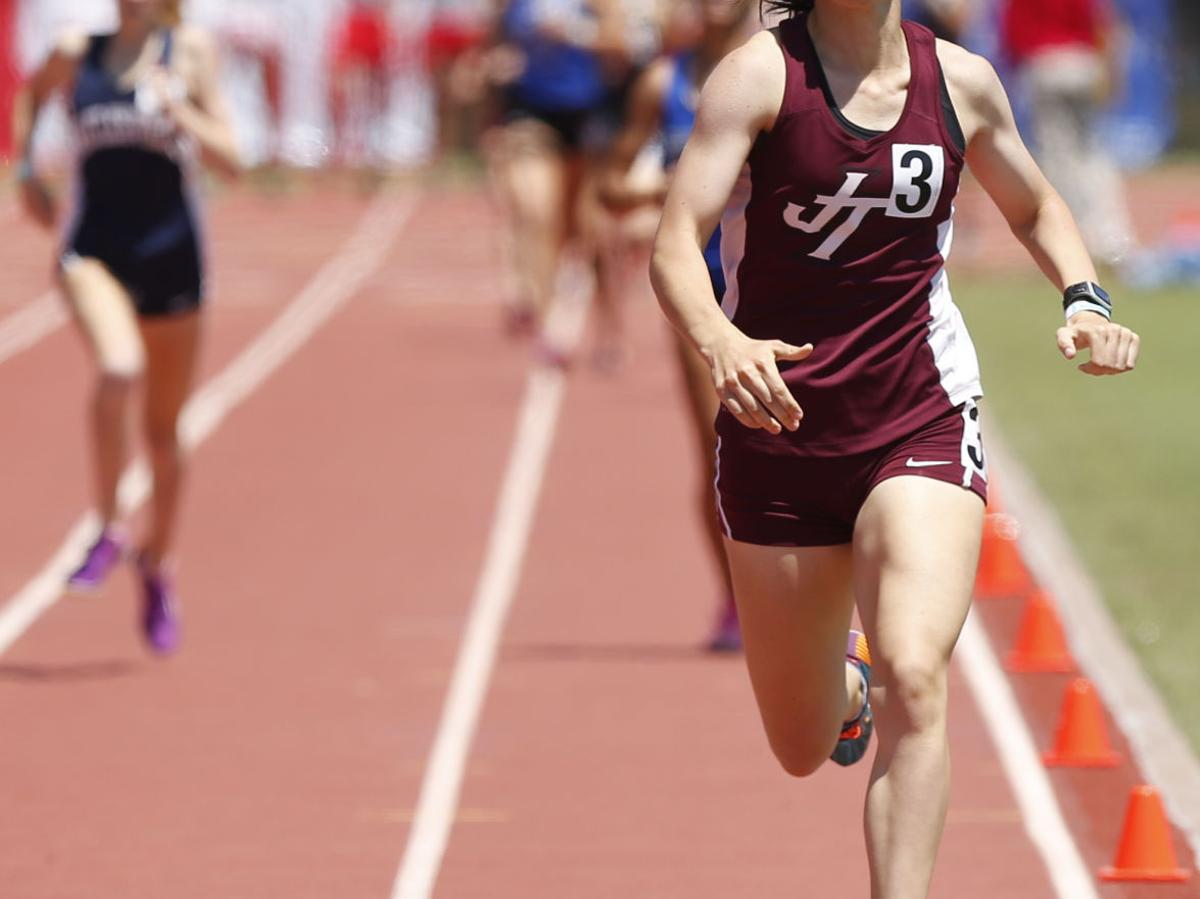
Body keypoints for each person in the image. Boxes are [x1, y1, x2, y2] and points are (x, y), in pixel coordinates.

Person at [649, 0, 1139, 894]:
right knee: (799, 744)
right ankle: (845, 690)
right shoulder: (759, 77)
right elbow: (676, 240)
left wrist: (1084, 298)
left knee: (917, 670)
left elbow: (1036, 205)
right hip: (779, 430)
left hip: (919, 411)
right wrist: (721, 340)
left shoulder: (959, 81)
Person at [13, 0, 240, 654]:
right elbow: (29, 97)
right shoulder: (76, 49)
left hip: (174, 257)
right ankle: (109, 526)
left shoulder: (190, 51)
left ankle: (157, 563)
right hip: (93, 249)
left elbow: (234, 161)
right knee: (118, 367)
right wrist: (27, 170)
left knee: (164, 434)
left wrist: (183, 113)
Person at [602, 0, 758, 650]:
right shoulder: (662, 84)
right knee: (721, 450)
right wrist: (663, 189)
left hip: (779, 288)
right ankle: (735, 601)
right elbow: (610, 185)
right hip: (701, 290)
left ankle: (808, 596)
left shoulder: (781, 73)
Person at [1001, 0, 1134, 265]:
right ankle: (1112, 238)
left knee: (1058, 160)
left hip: (1044, 63)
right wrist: (1112, 71)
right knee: (1093, 154)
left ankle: (1072, 241)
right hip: (1082, 60)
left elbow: (1012, 31)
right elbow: (1103, 20)